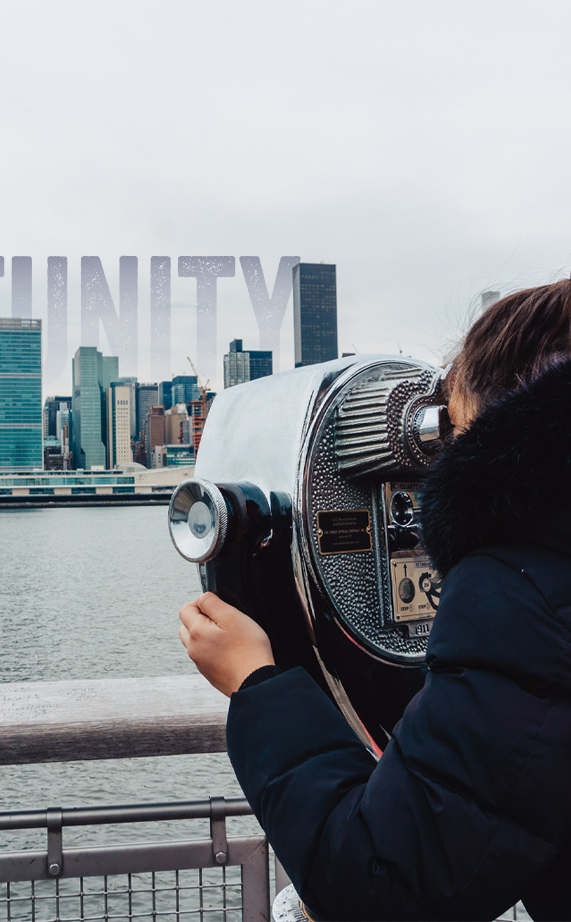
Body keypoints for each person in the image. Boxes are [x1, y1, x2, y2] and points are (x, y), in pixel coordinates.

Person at [178, 278, 571, 921]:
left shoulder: (518, 597)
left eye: (450, 424)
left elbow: (382, 883)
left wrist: (257, 683)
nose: (435, 460)